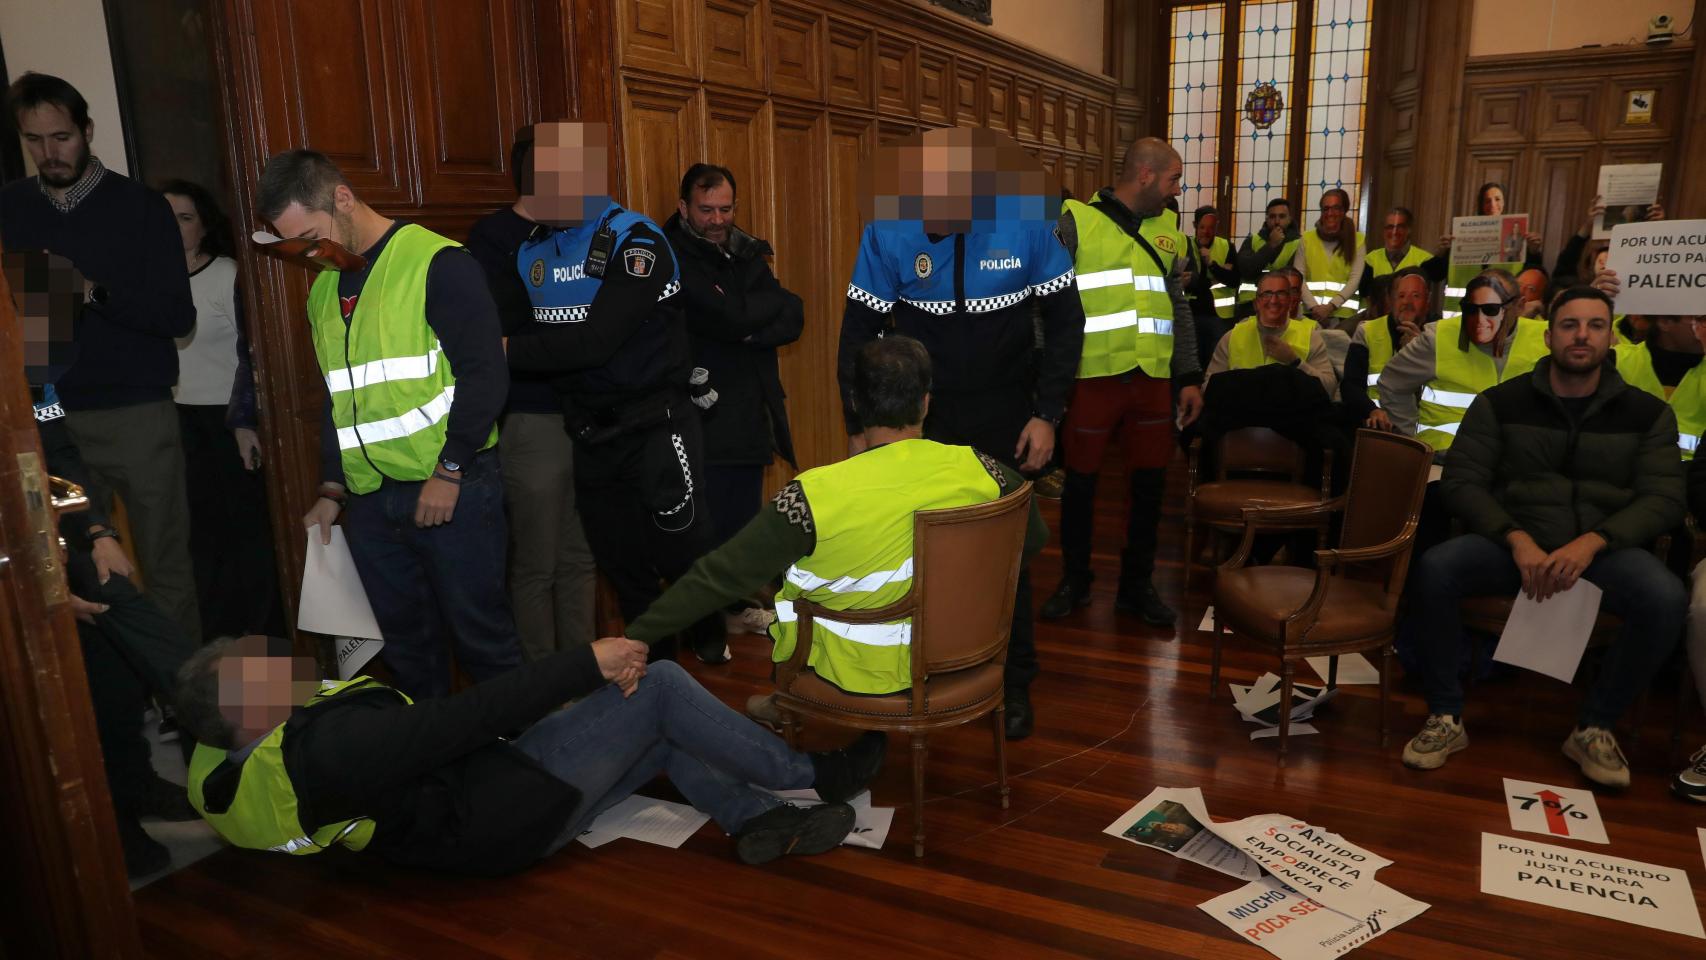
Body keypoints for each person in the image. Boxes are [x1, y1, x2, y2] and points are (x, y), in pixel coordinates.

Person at [177, 634, 887, 872]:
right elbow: (470, 717)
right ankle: (816, 776)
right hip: (501, 812)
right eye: (257, 666)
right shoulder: (334, 751)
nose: (273, 655)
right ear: (248, 711)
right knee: (664, 687)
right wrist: (587, 663)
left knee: (657, 722)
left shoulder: (228, 764)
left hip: (471, 812)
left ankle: (756, 817)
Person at [622, 335, 1045, 713]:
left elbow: (719, 577)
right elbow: (1032, 539)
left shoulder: (811, 495)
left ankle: (790, 706)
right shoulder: (986, 470)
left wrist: (637, 635)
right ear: (926, 401)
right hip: (963, 653)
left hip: (853, 669)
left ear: (856, 404)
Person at [838, 127, 1085, 739]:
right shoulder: (889, 228)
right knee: (915, 548)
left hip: (1007, 414)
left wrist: (1047, 414)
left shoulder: (1030, 224)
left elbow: (1066, 324)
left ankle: (1014, 682)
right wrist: (862, 426)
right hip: (920, 418)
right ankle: (926, 670)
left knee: (1004, 553)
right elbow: (856, 338)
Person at [259, 149, 522, 699]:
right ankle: (434, 770)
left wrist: (449, 470)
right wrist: (332, 488)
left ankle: (523, 767)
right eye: (294, 244)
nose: (307, 253)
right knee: (406, 649)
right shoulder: (324, 291)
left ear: (344, 198)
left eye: (310, 234)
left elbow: (485, 376)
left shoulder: (438, 262)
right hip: (372, 502)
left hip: (453, 489)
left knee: (483, 642)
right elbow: (341, 401)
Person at [1400, 285, 1685, 788]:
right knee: (1436, 567)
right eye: (1570, 325)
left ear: (1609, 338)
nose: (1582, 336)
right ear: (1549, 336)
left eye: (1595, 325)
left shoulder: (1648, 414)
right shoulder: (1500, 403)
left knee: (1665, 596)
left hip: (1600, 550)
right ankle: (1445, 715)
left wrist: (1595, 540)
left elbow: (1663, 498)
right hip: (1514, 545)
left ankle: (1594, 726)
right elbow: (1463, 481)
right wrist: (1513, 536)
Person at [501, 122, 727, 665]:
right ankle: (661, 671)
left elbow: (597, 342)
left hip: (655, 425)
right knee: (622, 564)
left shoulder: (636, 241)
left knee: (684, 549)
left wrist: (500, 349)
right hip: (589, 432)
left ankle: (710, 635)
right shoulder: (531, 253)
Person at [9, 249, 200, 878]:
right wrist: (52, 581)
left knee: (120, 660)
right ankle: (104, 828)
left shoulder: (36, 373)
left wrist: (96, 531)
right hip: (20, 566)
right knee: (65, 701)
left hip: (59, 537)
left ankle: (141, 780)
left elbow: (60, 455)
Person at [1, 72, 201, 644]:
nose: (49, 152)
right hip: (47, 414)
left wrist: (90, 290)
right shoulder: (10, 208)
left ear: (87, 131)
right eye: (34, 140)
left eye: (61, 137)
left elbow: (175, 319)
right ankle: (118, 711)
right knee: (79, 572)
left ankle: (186, 709)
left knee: (164, 565)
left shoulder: (140, 207)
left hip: (137, 410)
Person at [1041, 138, 1203, 628]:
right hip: (1091, 377)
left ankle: (1136, 586)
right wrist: (1047, 377)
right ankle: (1075, 581)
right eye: (1175, 178)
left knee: (1150, 487)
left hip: (1151, 380)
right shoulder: (1074, 220)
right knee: (1081, 488)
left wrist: (1190, 375)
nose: (1179, 188)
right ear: (1147, 175)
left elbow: (1177, 307)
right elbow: (1045, 301)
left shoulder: (1171, 230)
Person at [466, 138, 598, 659]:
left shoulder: (583, 234)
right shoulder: (494, 238)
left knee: (581, 556)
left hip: (586, 414)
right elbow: (503, 334)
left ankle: (586, 674)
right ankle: (545, 690)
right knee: (537, 563)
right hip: (530, 417)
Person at [663, 163, 804, 557]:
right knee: (707, 537)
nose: (717, 220)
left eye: (726, 209)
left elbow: (793, 313)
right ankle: (716, 617)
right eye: (707, 210)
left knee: (743, 531)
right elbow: (726, 315)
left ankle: (741, 613)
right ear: (684, 207)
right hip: (700, 420)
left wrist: (750, 330)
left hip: (748, 417)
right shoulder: (671, 255)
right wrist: (755, 310)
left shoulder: (743, 249)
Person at [162, 178, 281, 642]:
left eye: (185, 218)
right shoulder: (150, 282)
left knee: (247, 538)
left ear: (204, 226)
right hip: (175, 422)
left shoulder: (228, 273)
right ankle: (219, 650)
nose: (174, 229)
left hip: (228, 422)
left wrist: (244, 420)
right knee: (200, 542)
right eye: (165, 219)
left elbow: (255, 352)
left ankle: (266, 640)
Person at [1371, 269, 1548, 453]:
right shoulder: (1439, 337)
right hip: (1444, 461)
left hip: (1515, 463)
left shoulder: (1545, 339)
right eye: (1471, 309)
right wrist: (1413, 440)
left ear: (1519, 306)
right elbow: (1391, 385)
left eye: (1491, 309)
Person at [1204, 271, 1336, 396]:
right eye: (1267, 294)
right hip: (1243, 416)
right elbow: (1208, 389)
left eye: (1281, 294)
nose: (1273, 301)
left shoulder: (1310, 336)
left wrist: (1294, 362)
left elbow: (1329, 389)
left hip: (1292, 417)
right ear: (1256, 303)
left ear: (1291, 302)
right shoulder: (1232, 336)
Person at [1344, 268, 1431, 427]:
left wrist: (1420, 352)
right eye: (1401, 295)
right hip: (1379, 425)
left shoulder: (1437, 335)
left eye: (1416, 296)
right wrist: (1371, 410)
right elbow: (1350, 386)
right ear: (1391, 300)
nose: (1407, 302)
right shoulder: (1367, 331)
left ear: (1427, 301)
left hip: (1424, 430)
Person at [1294, 188, 1365, 327]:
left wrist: (1331, 306)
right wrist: (1315, 308)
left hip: (1343, 317)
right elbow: (1298, 278)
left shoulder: (1358, 240)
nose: (1330, 213)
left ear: (1343, 211)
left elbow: (1355, 279)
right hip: (1310, 315)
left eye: (1336, 208)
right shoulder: (1307, 239)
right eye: (1326, 209)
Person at [1182, 204, 1239, 370]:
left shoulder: (1226, 246)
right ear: (1194, 225)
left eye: (1211, 227)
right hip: (1190, 313)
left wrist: (1212, 265)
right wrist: (1221, 272)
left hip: (1220, 317)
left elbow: (1234, 280)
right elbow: (1187, 278)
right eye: (1202, 227)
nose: (1206, 232)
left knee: (1217, 363)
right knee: (1192, 363)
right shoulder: (1186, 245)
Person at [1233, 198, 1300, 317]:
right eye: (1272, 217)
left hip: (1283, 307)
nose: (1277, 221)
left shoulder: (1299, 243)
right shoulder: (1252, 240)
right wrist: (1271, 245)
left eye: (1282, 216)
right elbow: (1246, 270)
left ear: (1289, 219)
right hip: (1250, 307)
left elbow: (1294, 278)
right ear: (1267, 219)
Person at [1364, 207, 1431, 280]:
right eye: (1390, 227)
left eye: (1400, 227)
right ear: (1383, 231)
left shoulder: (1424, 260)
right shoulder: (1370, 260)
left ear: (1409, 230)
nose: (1394, 232)